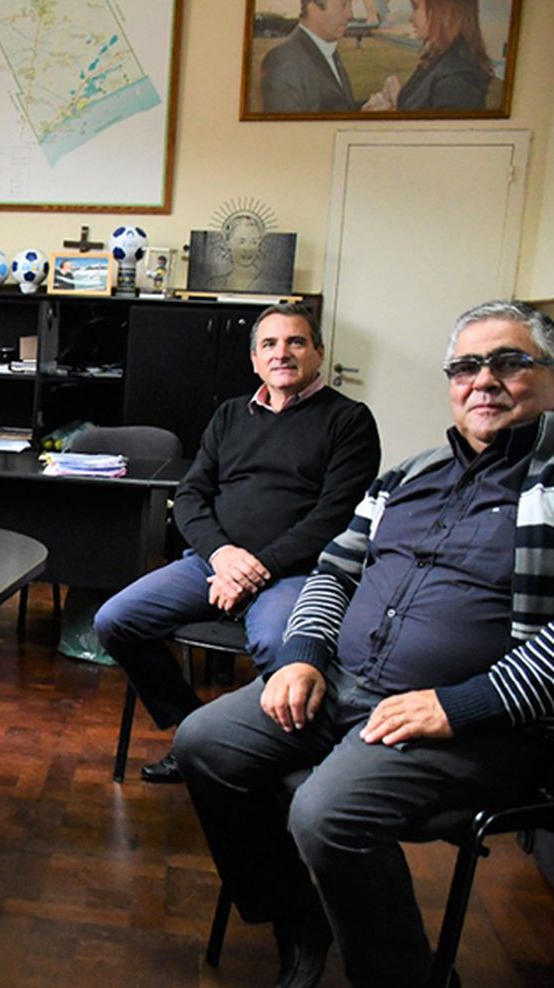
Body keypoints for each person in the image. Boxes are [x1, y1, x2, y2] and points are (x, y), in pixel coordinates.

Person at [174, 300, 554, 988]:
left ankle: (405, 977)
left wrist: (459, 704)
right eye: (467, 366)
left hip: (476, 721)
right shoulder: (411, 475)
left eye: (511, 362)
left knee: (324, 812)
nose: (484, 381)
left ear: (549, 376)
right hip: (345, 683)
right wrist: (303, 655)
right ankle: (300, 914)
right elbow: (334, 571)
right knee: (203, 742)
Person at [94, 302, 380, 783]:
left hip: (295, 574)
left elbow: (334, 518)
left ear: (318, 353)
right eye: (269, 344)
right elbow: (190, 496)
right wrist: (224, 556)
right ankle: (194, 735)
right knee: (116, 620)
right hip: (213, 563)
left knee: (280, 646)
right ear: (254, 359)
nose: (282, 353)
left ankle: (271, 762)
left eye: (295, 342)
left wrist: (256, 569)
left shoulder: (349, 421)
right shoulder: (230, 415)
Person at [364, 0, 491, 112]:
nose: (412, 18)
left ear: (442, 10)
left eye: (416, 8)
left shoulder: (457, 77)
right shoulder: (443, 59)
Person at [261, 0, 359, 113]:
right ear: (313, 9)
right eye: (343, 6)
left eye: (350, 5)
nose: (351, 15)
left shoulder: (327, 50)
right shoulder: (283, 61)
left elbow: (337, 107)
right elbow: (287, 128)